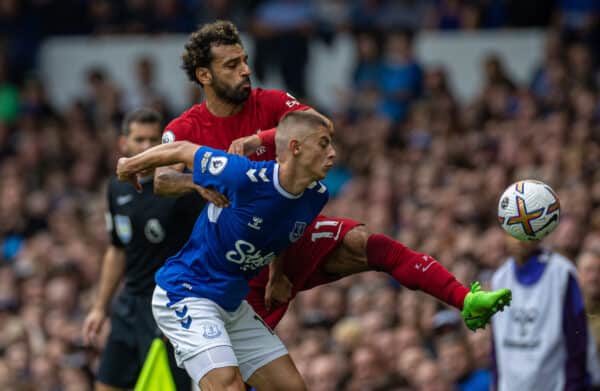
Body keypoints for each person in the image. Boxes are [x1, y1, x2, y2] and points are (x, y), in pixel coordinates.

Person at [156, 20, 511, 333]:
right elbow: (162, 180)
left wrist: (260, 139)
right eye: (232, 65)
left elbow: (322, 124)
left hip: (292, 233)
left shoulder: (272, 103)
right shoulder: (185, 127)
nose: (246, 70)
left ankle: (465, 299)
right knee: (245, 375)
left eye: (245, 60)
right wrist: (198, 183)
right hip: (239, 263)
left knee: (368, 244)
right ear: (205, 75)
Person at [117, 110, 335, 390]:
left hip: (231, 303)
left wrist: (277, 275)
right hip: (186, 292)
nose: (333, 153)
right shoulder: (243, 176)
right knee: (228, 386)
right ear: (295, 148)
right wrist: (129, 163)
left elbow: (281, 231)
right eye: (324, 143)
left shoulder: (316, 196)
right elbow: (183, 150)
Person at [81, 109, 195, 391]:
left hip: (166, 307)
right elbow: (117, 249)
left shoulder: (179, 192)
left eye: (153, 140)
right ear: (124, 144)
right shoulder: (116, 187)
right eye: (139, 139)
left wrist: (185, 309)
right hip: (129, 304)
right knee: (106, 385)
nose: (146, 147)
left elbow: (199, 252)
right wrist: (99, 308)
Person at [491, 235, 592, 391]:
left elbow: (577, 344)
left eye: (524, 227)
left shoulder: (561, 274)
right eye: (512, 228)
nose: (518, 237)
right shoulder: (499, 279)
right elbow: (497, 348)